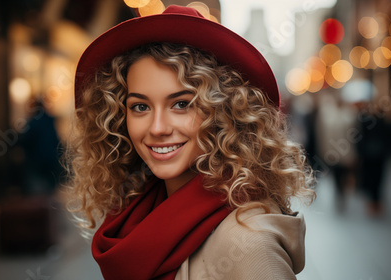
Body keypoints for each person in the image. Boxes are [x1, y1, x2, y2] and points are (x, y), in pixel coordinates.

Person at [65, 5, 315, 280]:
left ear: (225, 112)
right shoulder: (136, 212)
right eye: (140, 107)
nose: (158, 128)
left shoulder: (248, 242)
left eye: (181, 104)